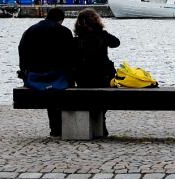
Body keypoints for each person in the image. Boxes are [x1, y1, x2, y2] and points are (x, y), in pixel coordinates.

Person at [18, 7, 74, 137]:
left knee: (50, 91)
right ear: (60, 20)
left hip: (35, 77)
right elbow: (70, 56)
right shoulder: (64, 32)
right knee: (58, 91)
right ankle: (61, 127)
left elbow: (22, 51)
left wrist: (24, 71)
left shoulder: (30, 31)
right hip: (58, 76)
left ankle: (55, 128)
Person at [72, 8, 120, 136]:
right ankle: (100, 119)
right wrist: (102, 32)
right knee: (103, 95)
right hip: (103, 76)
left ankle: (94, 119)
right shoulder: (102, 35)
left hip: (84, 78)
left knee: (89, 96)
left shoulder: (77, 40)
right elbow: (116, 43)